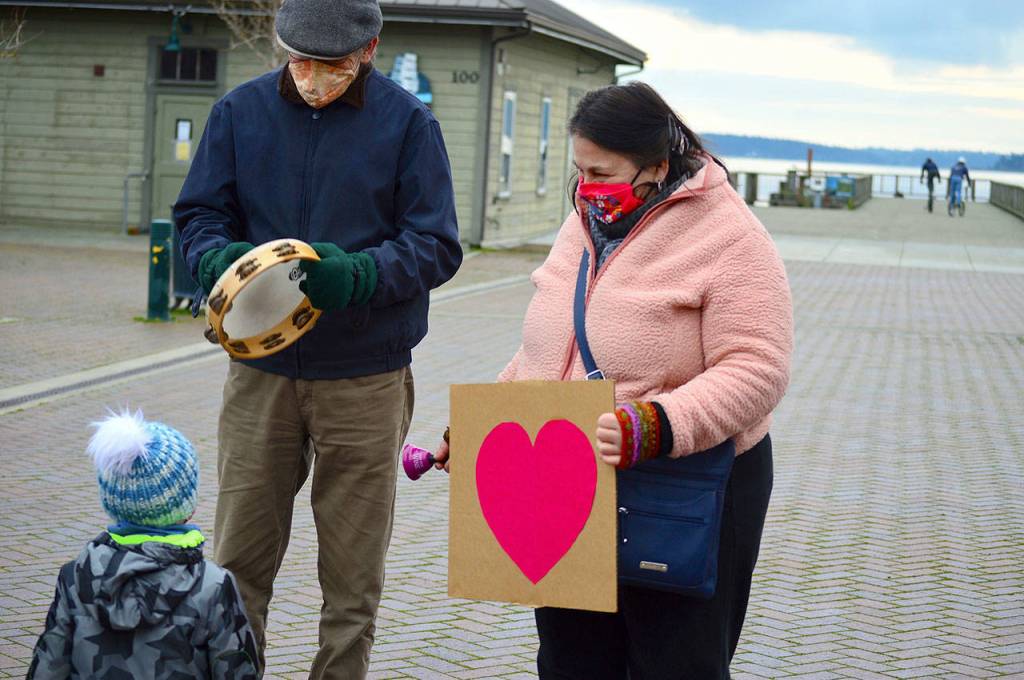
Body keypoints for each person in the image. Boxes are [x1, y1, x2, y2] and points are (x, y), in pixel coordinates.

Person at [435, 82, 793, 679]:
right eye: (579, 170)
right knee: (572, 660)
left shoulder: (731, 236)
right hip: (568, 475)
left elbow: (758, 367)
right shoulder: (582, 223)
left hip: (684, 482)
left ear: (656, 165)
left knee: (676, 663)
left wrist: (655, 425)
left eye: (602, 172)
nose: (587, 187)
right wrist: (484, 424)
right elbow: (549, 349)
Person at [172, 0, 463, 676]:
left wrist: (362, 274)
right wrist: (215, 258)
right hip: (260, 373)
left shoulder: (409, 123)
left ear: (369, 49)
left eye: (330, 65)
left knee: (351, 579)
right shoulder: (239, 113)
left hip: (365, 376)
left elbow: (437, 244)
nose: (312, 76)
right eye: (300, 59)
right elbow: (199, 213)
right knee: (239, 560)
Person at [28, 410, 259, 679]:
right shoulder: (212, 584)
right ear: (188, 505)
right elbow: (236, 670)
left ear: (113, 501)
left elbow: (49, 665)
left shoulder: (77, 576)